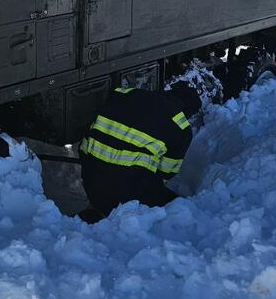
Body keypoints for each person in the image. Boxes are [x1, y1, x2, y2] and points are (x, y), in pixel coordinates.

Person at [78, 82, 203, 221]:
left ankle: (92, 214)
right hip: (127, 192)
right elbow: (166, 173)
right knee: (177, 206)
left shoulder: (127, 94)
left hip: (90, 179)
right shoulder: (182, 128)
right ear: (187, 111)